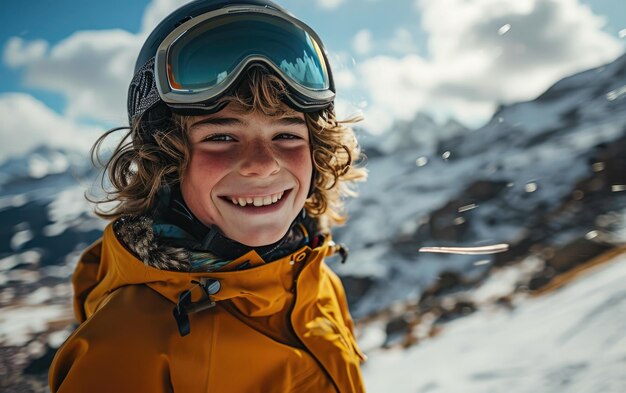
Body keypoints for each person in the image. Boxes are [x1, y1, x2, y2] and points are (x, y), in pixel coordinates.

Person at [48, 0, 368, 392]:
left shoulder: (314, 285)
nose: (262, 164)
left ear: (317, 152)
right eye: (220, 137)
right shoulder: (127, 350)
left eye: (286, 135)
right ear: (165, 163)